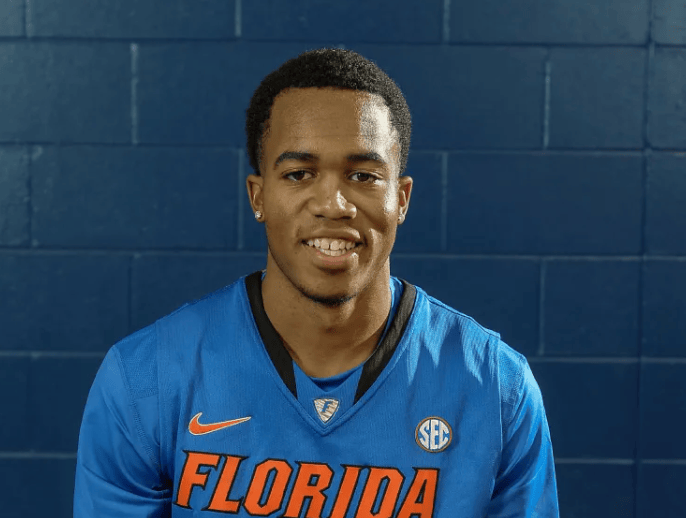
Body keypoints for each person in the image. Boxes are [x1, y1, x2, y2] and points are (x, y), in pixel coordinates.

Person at [74, 47, 559, 517]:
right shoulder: (145, 381)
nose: (333, 204)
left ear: (402, 199)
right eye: (299, 173)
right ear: (258, 197)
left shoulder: (495, 388)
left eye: (363, 176)